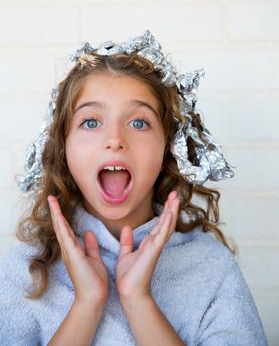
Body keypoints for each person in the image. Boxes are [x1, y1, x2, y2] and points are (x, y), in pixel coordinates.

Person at [0, 30, 267, 346]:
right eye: (91, 122)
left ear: (168, 147)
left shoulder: (211, 268)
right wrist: (87, 304)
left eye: (139, 122)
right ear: (63, 146)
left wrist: (139, 300)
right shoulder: (25, 270)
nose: (115, 138)